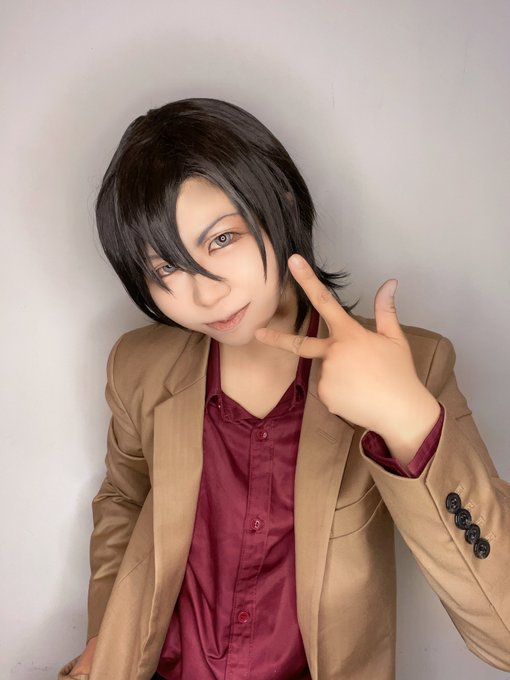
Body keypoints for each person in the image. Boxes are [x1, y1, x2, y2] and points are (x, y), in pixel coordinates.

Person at [58, 98, 510, 680]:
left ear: (282, 203)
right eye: (166, 268)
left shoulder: (413, 365)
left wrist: (405, 417)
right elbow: (123, 497)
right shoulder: (138, 366)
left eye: (222, 239)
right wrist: (106, 632)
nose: (205, 294)